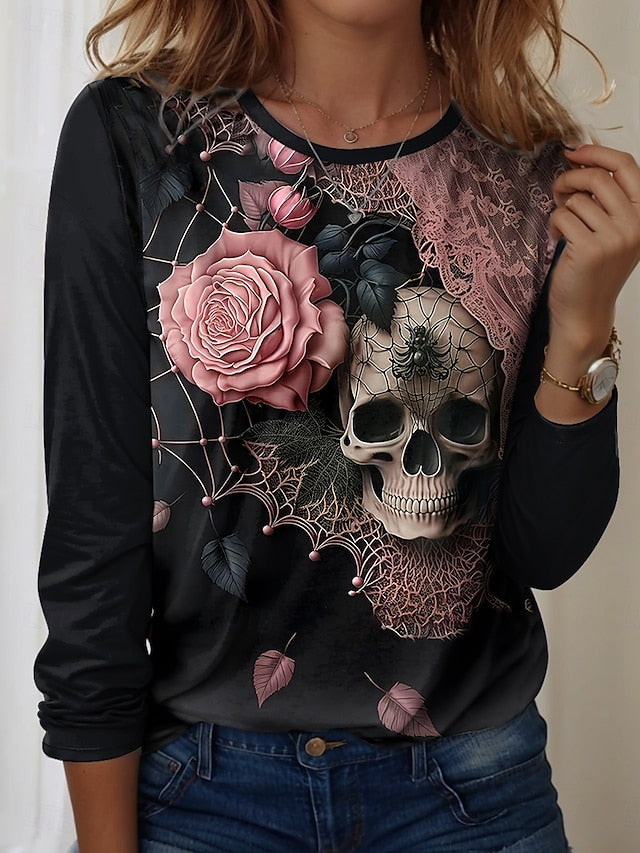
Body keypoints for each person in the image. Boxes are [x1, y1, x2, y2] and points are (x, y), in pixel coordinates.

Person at [34, 1, 640, 851]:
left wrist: (583, 330)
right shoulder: (137, 138)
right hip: (201, 799)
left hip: (471, 796)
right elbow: (94, 534)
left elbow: (543, 552)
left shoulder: (529, 175)